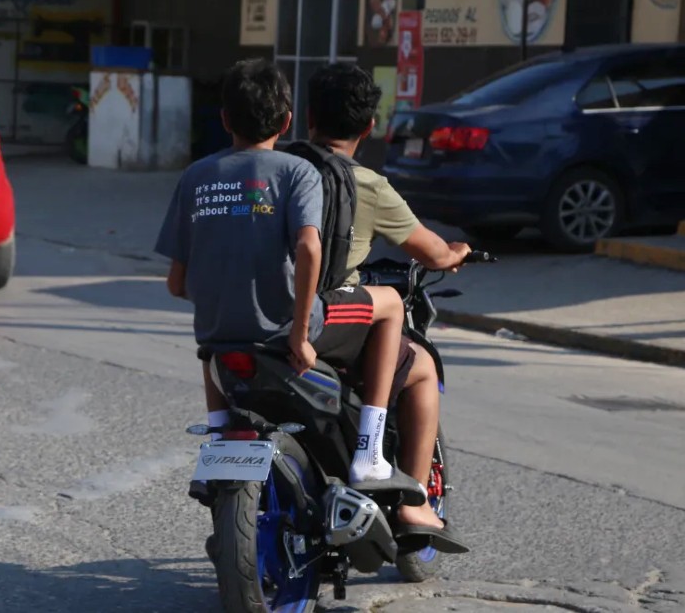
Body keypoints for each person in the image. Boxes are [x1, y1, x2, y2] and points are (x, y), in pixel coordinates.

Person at [154, 58, 407, 488]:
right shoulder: (296, 171)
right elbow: (309, 246)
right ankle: (369, 451)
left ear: (224, 119)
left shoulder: (196, 175)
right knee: (394, 303)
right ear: (288, 120)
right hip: (283, 333)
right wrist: (299, 336)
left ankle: (218, 434)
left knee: (213, 345)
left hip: (216, 334)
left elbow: (176, 282)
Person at [305, 62, 473, 553]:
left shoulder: (283, 167)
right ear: (370, 126)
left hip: (264, 312)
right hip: (330, 316)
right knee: (419, 365)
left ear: (308, 116)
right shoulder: (367, 185)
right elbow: (434, 252)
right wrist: (458, 254)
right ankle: (412, 502)